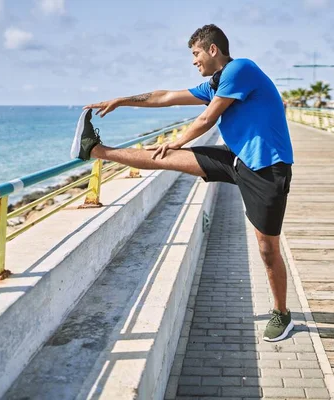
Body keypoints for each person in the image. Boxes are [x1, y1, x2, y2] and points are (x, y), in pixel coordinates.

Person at [72, 24, 294, 342]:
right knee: (162, 158)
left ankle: (281, 313)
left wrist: (177, 141)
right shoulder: (216, 83)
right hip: (236, 159)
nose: (194, 61)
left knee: (266, 248)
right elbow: (166, 97)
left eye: (196, 54)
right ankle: (94, 150)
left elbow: (208, 119)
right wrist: (122, 100)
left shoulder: (240, 69)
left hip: (267, 169)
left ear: (212, 49)